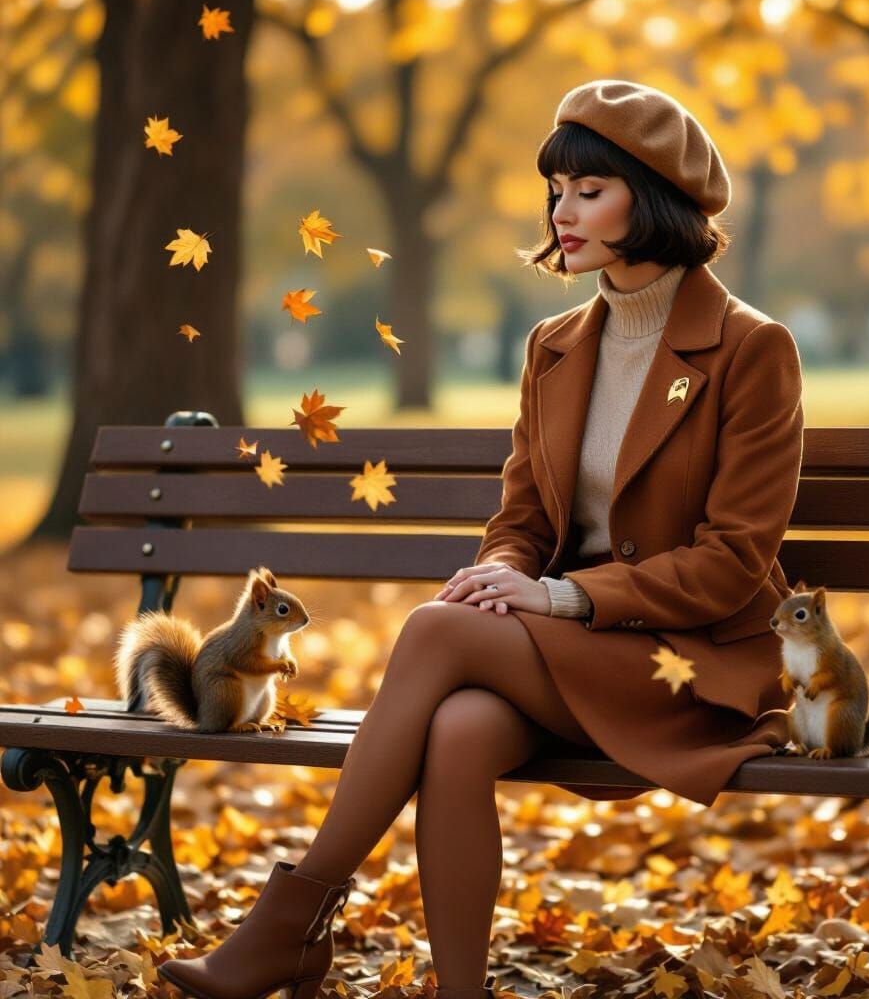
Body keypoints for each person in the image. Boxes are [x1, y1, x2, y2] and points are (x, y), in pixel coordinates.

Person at [158, 79, 804, 999]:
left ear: (654, 200)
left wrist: (558, 596)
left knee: (432, 630)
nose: (562, 210)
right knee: (458, 729)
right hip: (571, 651)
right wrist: (501, 573)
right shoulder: (554, 345)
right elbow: (524, 523)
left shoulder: (751, 348)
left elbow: (735, 558)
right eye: (556, 189)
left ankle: (290, 924)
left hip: (685, 663)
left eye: (590, 189)